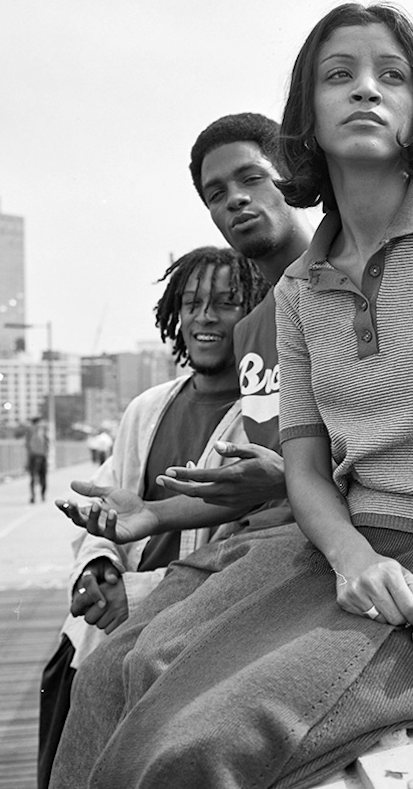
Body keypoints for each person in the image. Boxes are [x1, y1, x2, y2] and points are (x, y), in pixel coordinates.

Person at [51, 2, 413, 789]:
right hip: (334, 554)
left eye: (391, 75)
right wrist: (350, 555)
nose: (366, 90)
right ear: (307, 112)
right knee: (107, 679)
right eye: (340, 74)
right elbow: (304, 467)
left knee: (196, 748)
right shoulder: (300, 288)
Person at [49, 111, 315, 787]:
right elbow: (237, 499)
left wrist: (286, 483)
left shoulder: (334, 297)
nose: (205, 317)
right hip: (162, 600)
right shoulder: (168, 396)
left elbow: (293, 491)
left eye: (252, 177)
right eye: (214, 192)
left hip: (239, 593)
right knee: (104, 684)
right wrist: (110, 554)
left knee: (160, 700)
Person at [38, 245, 269, 788]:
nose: (204, 318)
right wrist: (98, 567)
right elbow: (109, 507)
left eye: (226, 303)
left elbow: (245, 548)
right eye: (191, 304)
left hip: (179, 652)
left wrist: (136, 594)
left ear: (256, 314)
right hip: (93, 638)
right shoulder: (147, 406)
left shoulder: (263, 419)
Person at [26, 416, 52, 503]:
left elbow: (47, 443)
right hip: (35, 456)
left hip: (39, 456)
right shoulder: (31, 431)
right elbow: (28, 444)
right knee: (36, 477)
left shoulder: (42, 431)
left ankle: (40, 495)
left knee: (40, 477)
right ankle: (35, 496)